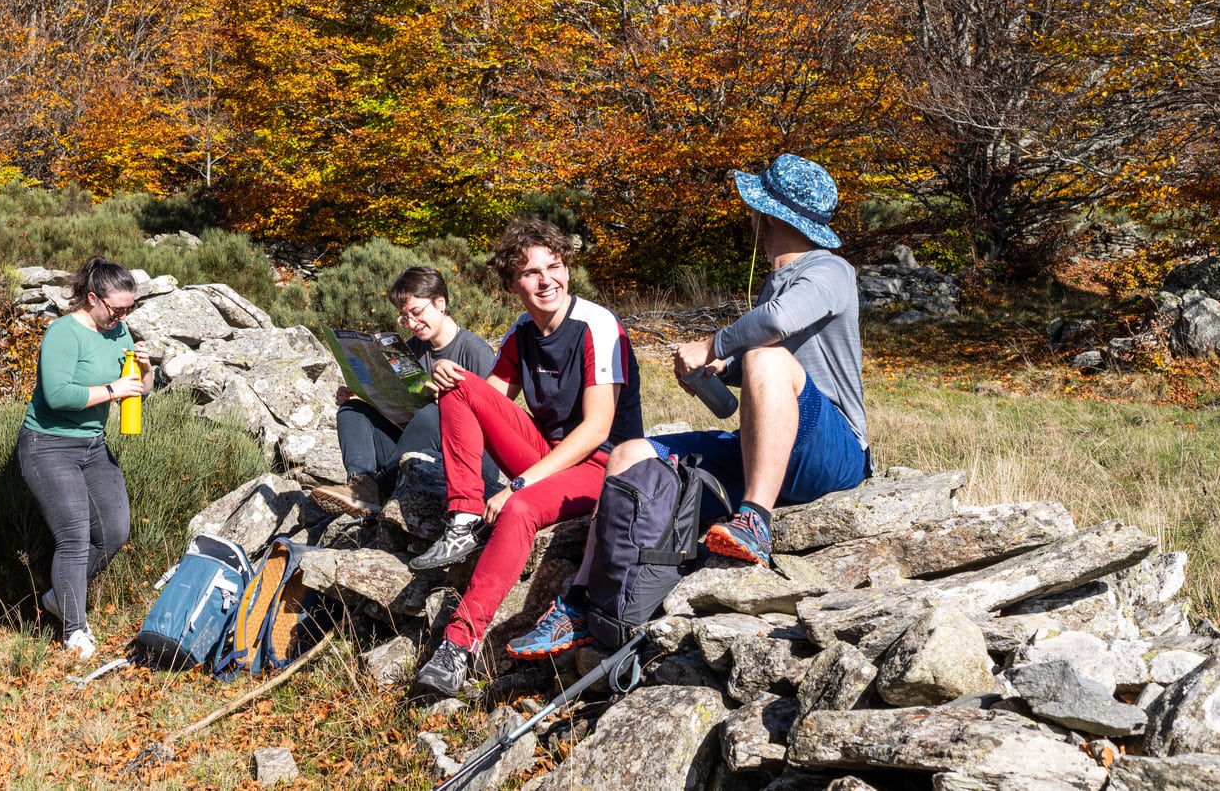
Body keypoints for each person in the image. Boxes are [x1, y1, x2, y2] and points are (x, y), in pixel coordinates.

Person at [506, 153, 868, 662]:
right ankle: (583, 603)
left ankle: (756, 520)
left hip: (836, 453)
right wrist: (717, 375)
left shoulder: (830, 270)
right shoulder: (774, 284)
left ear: (767, 215)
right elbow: (740, 401)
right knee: (631, 453)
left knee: (764, 354)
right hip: (770, 449)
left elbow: (778, 327)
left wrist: (717, 346)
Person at [412, 219, 643, 697]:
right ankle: (462, 519)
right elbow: (484, 400)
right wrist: (442, 384)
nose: (546, 281)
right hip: (551, 456)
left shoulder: (597, 326)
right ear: (513, 284)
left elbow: (598, 429)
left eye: (554, 267)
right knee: (457, 381)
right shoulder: (521, 330)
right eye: (531, 273)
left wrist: (521, 484)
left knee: (518, 509)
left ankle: (459, 643)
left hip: (605, 465)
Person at [17, 256, 152, 661]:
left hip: (93, 446)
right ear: (92, 298)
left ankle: (61, 595)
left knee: (113, 533)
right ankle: (74, 630)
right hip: (48, 445)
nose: (123, 316)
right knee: (74, 537)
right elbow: (58, 397)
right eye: (117, 308)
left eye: (129, 308)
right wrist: (113, 389)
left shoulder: (120, 331)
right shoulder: (63, 334)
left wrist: (144, 371)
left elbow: (139, 390)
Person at [310, 265, 496, 518]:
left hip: (463, 460)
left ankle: (376, 489)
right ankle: (361, 484)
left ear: (440, 303)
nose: (411, 323)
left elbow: (494, 422)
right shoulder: (410, 349)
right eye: (404, 316)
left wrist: (450, 404)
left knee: (432, 414)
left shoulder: (475, 350)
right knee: (352, 410)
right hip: (411, 450)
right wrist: (364, 395)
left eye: (417, 312)